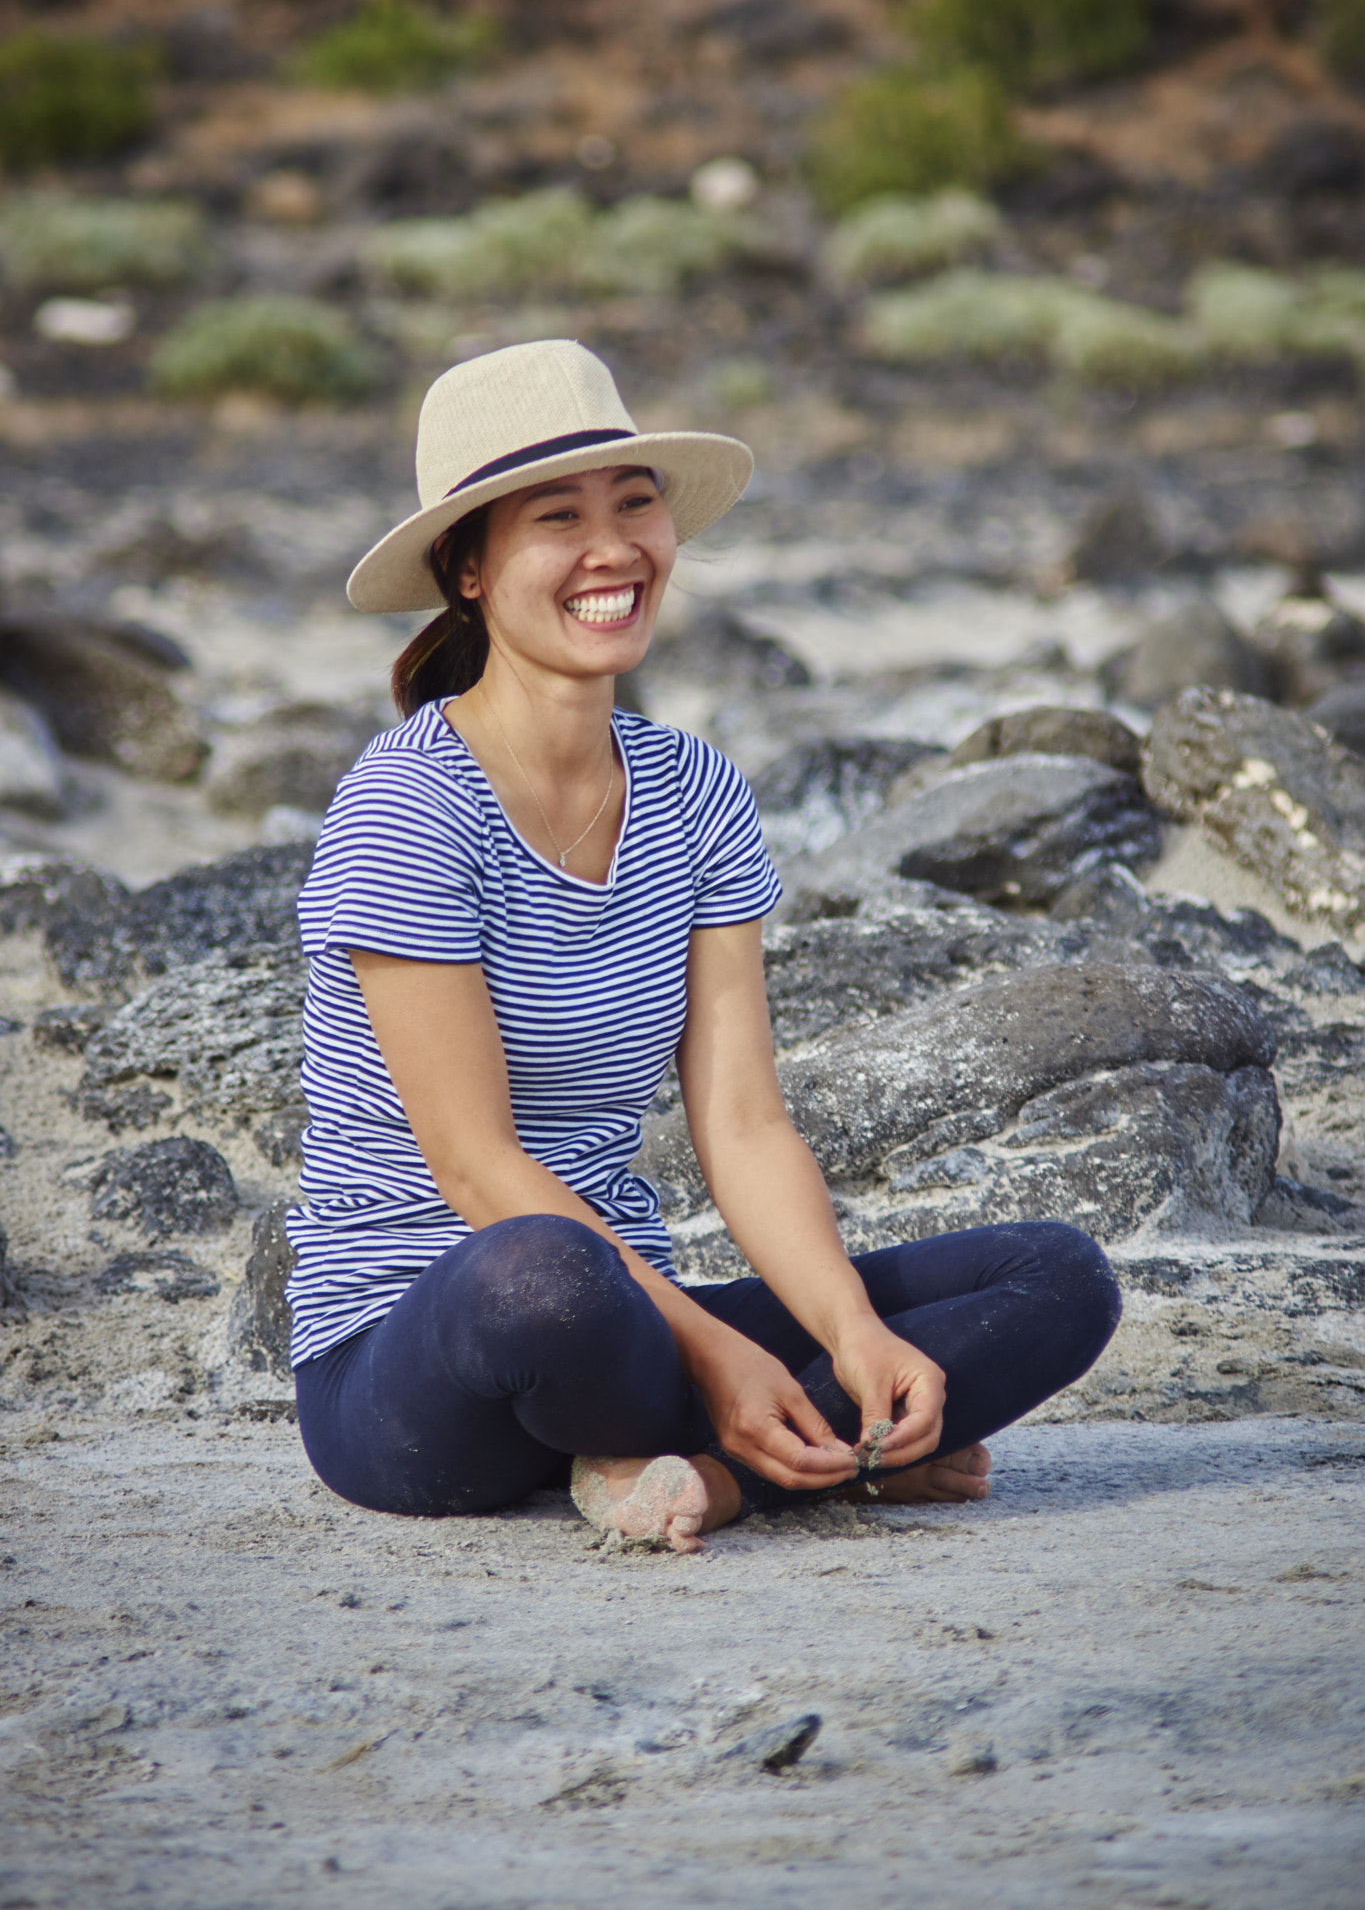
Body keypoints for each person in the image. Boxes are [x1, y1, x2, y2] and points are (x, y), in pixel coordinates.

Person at [288, 339, 1121, 1553]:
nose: (612, 548)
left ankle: (721, 1478)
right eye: (558, 516)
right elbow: (475, 1168)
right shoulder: (407, 807)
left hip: (633, 1322)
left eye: (637, 505)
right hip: (422, 1354)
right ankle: (811, 1448)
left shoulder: (694, 788)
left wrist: (849, 1332)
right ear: (467, 568)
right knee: (547, 1277)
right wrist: (726, 1352)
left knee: (1059, 1275)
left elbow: (740, 1123)